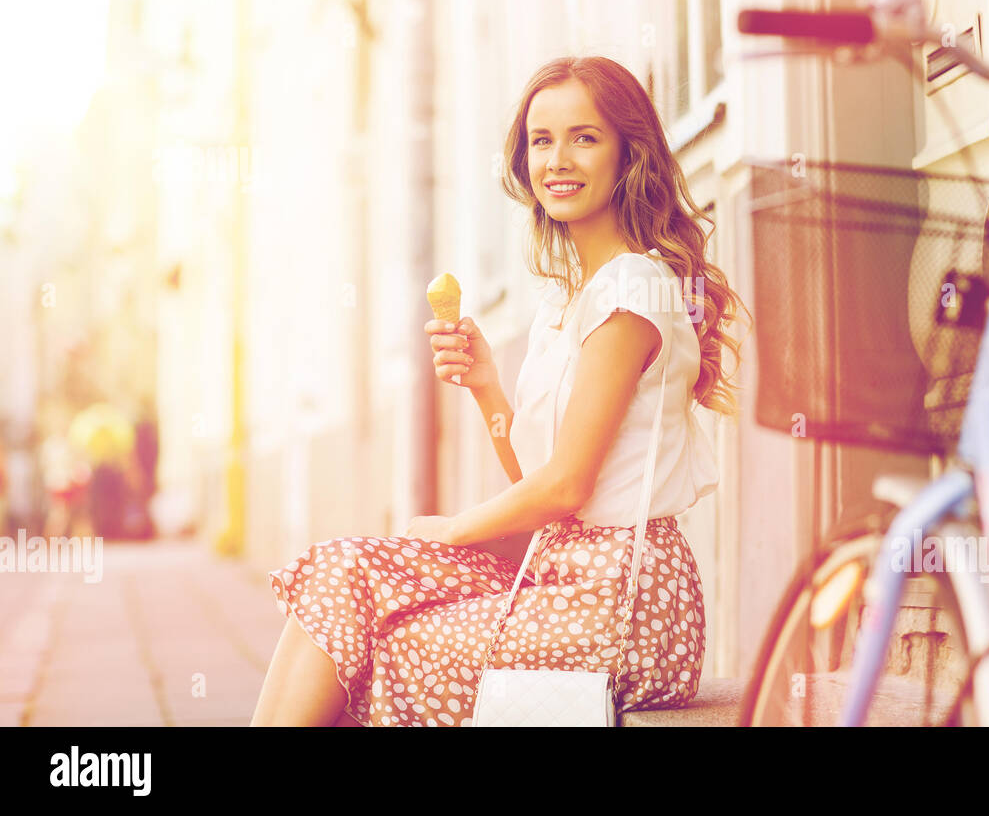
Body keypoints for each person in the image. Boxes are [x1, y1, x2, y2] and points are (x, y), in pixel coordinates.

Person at [252, 55, 750, 726]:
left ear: (628, 155)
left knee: (392, 643)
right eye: (541, 141)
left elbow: (569, 487)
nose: (558, 160)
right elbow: (546, 480)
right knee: (344, 573)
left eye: (585, 136)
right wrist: (487, 386)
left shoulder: (633, 288)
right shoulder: (566, 300)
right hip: (558, 573)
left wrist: (455, 529)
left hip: (624, 603)